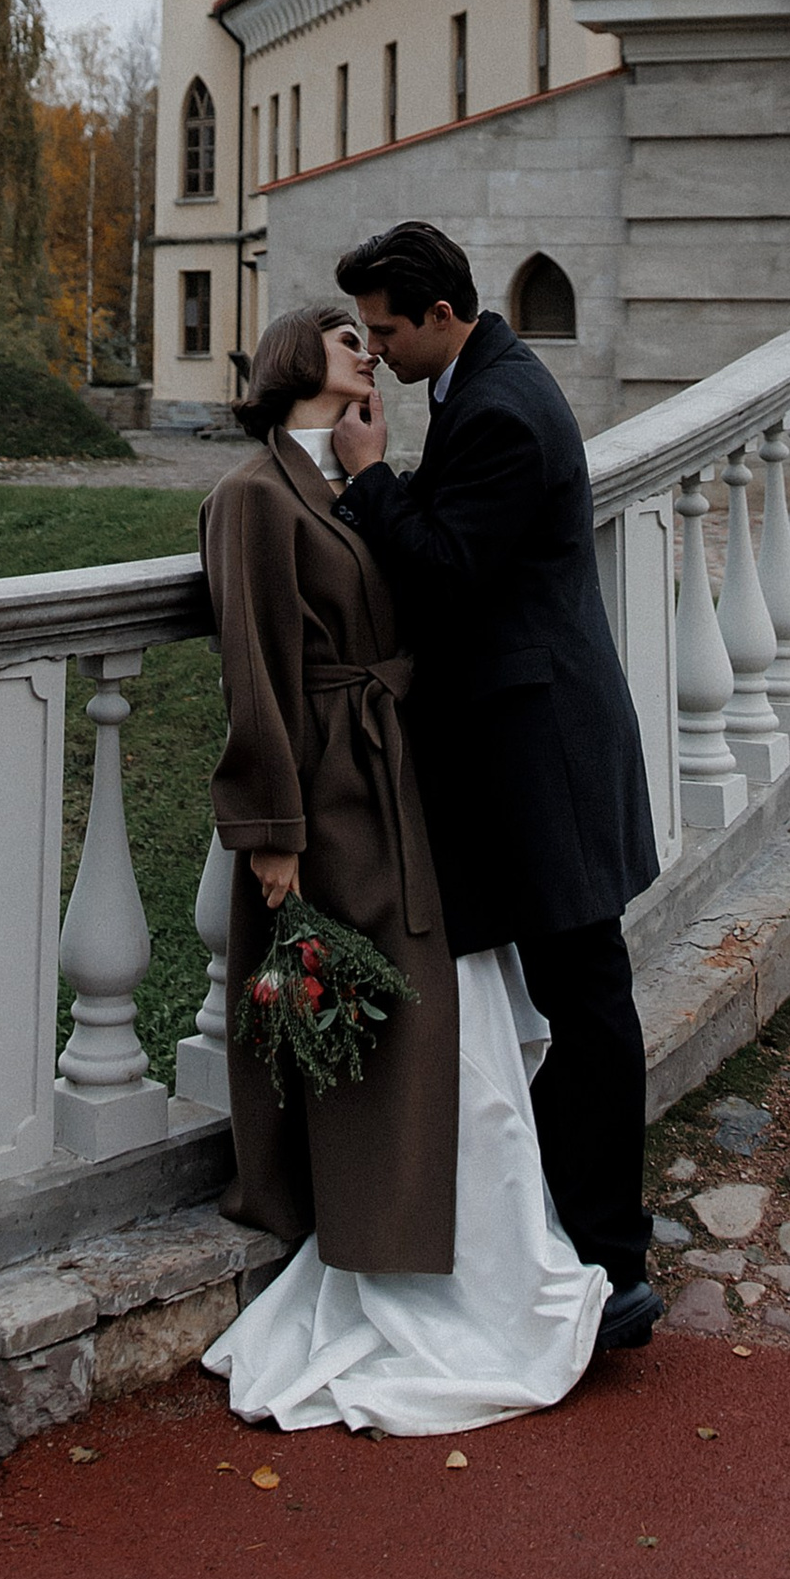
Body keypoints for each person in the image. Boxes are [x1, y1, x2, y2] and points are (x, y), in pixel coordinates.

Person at [197, 301, 608, 1433]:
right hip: (332, 804)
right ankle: (398, 1262)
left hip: (410, 790)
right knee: (389, 1036)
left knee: (457, 1034)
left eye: (372, 337)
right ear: (292, 360)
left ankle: (488, 1272)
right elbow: (254, 670)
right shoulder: (248, 497)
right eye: (344, 338)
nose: (366, 350)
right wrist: (272, 829)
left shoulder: (349, 482)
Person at [327, 220, 662, 1351]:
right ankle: (587, 1241)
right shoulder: (486, 387)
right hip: (535, 737)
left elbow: (447, 573)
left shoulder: (504, 410)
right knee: (576, 991)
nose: (372, 353)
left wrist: (370, 484)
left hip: (544, 748)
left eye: (383, 331)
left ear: (438, 314)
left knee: (585, 995)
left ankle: (611, 1262)